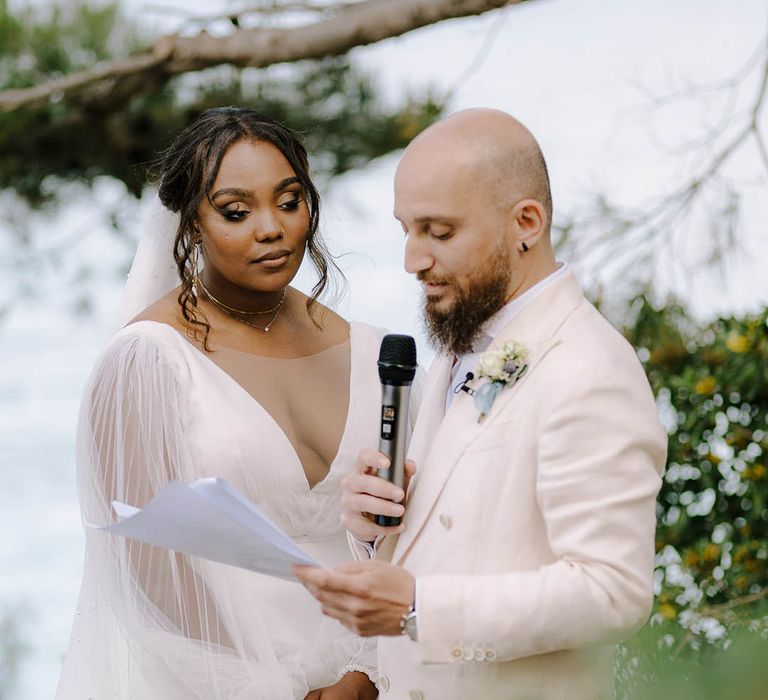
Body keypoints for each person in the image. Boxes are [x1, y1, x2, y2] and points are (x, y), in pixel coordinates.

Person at [295, 108, 668, 699]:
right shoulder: (456, 352)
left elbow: (612, 590)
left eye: (438, 232)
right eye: (406, 230)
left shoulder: (589, 368)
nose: (412, 260)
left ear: (526, 222)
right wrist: (377, 528)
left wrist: (419, 607)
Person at [56, 107, 389, 699]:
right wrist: (276, 687)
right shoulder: (147, 360)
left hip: (371, 667)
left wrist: (368, 670)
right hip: (220, 678)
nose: (272, 228)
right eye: (236, 212)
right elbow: (147, 567)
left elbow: (399, 529)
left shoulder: (366, 348)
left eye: (289, 201)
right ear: (191, 225)